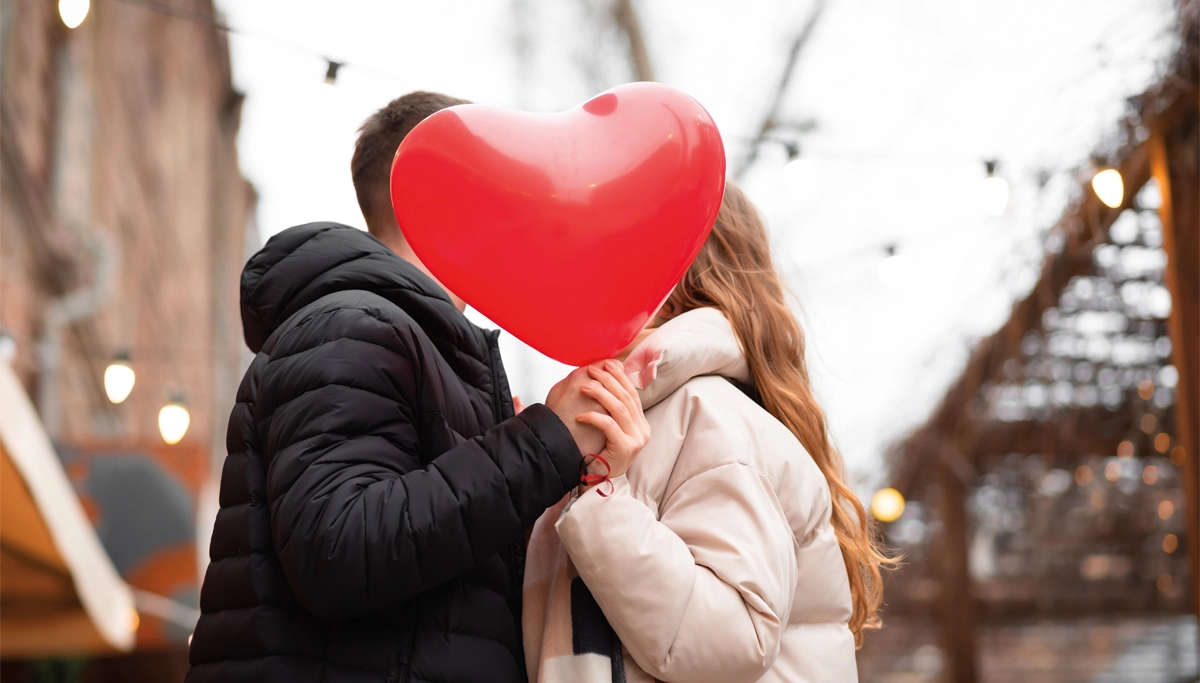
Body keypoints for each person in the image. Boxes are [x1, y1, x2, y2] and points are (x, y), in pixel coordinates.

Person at [188, 91, 621, 683]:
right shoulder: (354, 327)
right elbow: (339, 547)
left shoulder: (406, 341)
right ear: (439, 196)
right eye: (491, 191)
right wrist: (541, 445)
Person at [523, 182, 894, 683]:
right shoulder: (658, 412)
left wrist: (602, 495)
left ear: (675, 274)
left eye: (626, 248)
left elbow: (731, 639)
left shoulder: (707, 411)